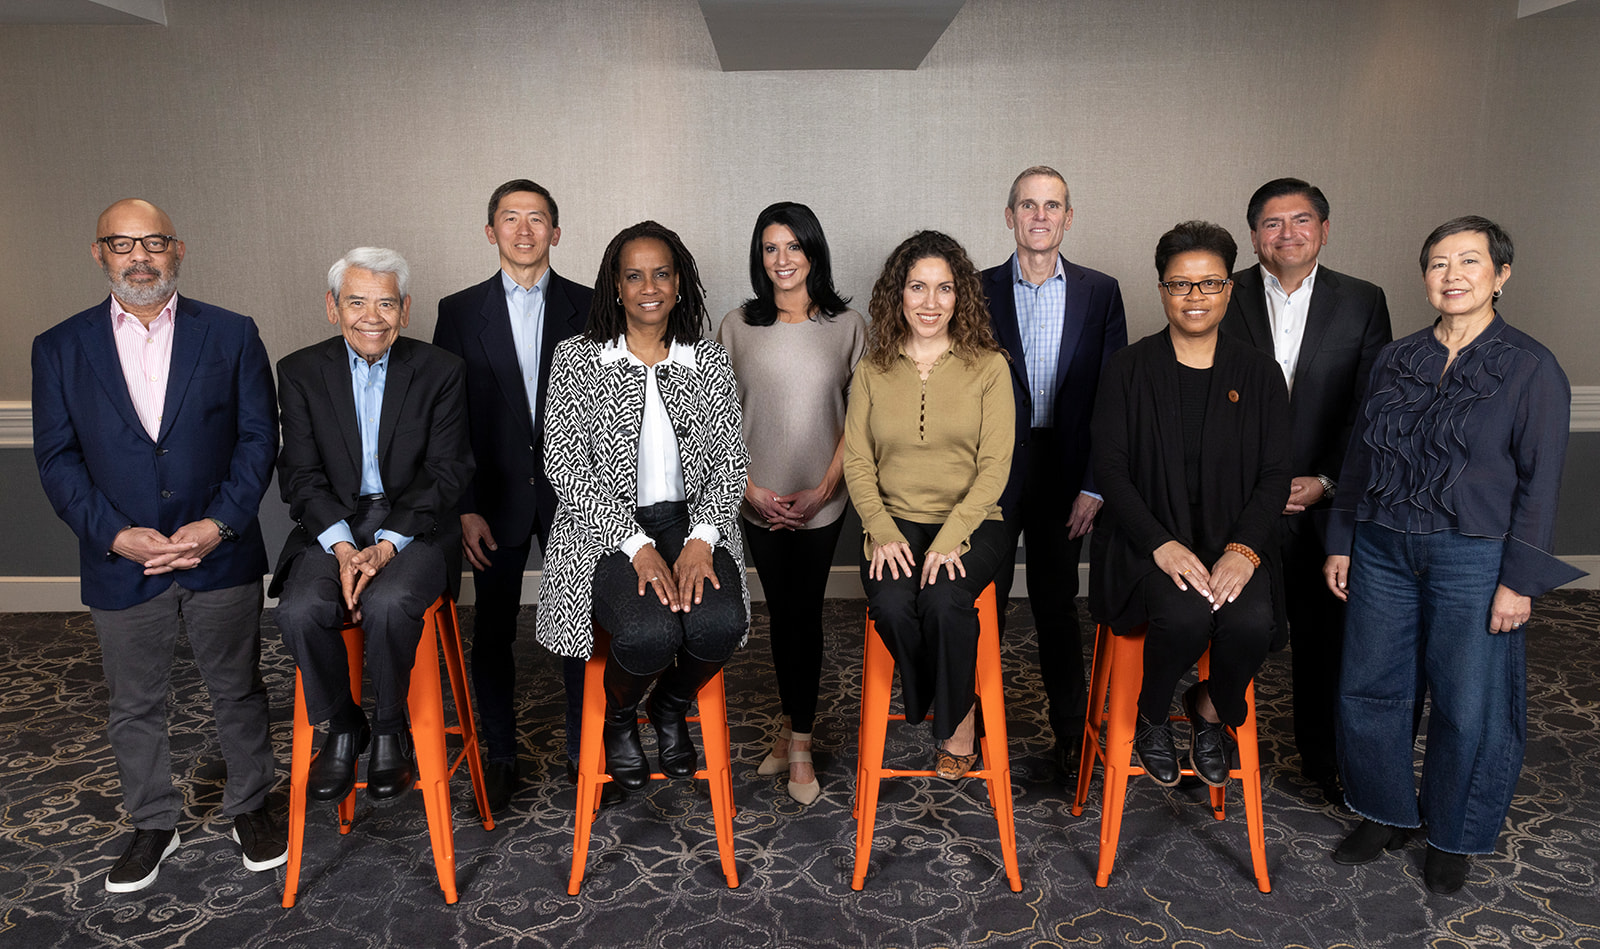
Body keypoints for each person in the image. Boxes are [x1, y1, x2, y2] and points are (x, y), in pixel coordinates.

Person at [1323, 216, 1582, 895]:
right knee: (1368, 686)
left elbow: (1542, 483)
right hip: (1379, 544)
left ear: (1501, 274)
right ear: (1425, 277)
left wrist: (1518, 581)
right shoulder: (1395, 357)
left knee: (1471, 701)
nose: (1453, 275)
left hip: (1475, 557)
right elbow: (1359, 454)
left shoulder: (1531, 367)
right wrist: (1342, 538)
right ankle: (1382, 812)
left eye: (1469, 261)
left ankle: (1453, 831)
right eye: (1439, 263)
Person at [31, 198, 284, 892]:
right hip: (119, 557)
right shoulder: (58, 346)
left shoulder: (232, 334)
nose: (139, 256)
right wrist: (115, 534)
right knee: (134, 701)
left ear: (178, 250)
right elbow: (56, 460)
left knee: (238, 689)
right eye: (122, 243)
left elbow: (259, 439)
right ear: (99, 253)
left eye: (153, 242)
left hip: (218, 550)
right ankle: (153, 822)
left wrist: (219, 525)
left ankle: (251, 805)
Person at [537, 221, 750, 791]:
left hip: (693, 523)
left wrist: (703, 538)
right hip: (601, 531)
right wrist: (637, 547)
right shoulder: (577, 359)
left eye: (660, 274)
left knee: (721, 623)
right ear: (615, 286)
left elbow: (731, 460)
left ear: (678, 283)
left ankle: (668, 707)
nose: (648, 286)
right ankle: (620, 717)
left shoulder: (707, 359)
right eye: (634, 276)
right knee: (648, 633)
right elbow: (566, 466)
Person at [1088, 221, 1290, 789]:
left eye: (1209, 283)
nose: (1195, 297)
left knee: (1251, 625)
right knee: (1183, 617)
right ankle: (1152, 715)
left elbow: (1276, 475)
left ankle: (1206, 709)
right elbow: (1111, 471)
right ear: (1161, 290)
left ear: (1230, 289)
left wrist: (1244, 551)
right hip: (1148, 546)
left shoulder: (1259, 372)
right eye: (1180, 285)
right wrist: (1162, 545)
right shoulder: (1128, 369)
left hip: (1235, 543)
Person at [272, 247, 473, 806]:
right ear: (333, 308)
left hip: (417, 525)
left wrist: (386, 545)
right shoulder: (300, 371)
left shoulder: (440, 371)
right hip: (331, 524)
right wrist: (342, 547)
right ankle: (342, 726)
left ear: (405, 310)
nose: (372, 316)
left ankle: (390, 728)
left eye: (386, 303)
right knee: (299, 609)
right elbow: (301, 475)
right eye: (357, 301)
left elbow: (446, 472)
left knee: (388, 603)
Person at [1220, 177, 1392, 804]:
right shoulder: (1223, 291)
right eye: (1271, 223)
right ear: (1254, 235)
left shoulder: (1362, 300)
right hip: (1241, 499)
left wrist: (1326, 481)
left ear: (1324, 229)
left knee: (1325, 639)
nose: (1286, 233)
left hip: (1323, 500)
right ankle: (1215, 735)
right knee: (1242, 627)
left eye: (1300, 221)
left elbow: (1370, 408)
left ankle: (1323, 761)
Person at [433, 179, 598, 812]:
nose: (523, 230)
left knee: (582, 631)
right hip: (492, 500)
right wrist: (466, 503)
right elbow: (450, 421)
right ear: (490, 231)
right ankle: (500, 756)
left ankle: (585, 755)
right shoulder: (458, 310)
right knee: (494, 630)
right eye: (510, 218)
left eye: (537, 220)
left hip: (579, 494)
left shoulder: (591, 305)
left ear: (556, 233)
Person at [843, 230, 1014, 781]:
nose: (931, 303)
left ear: (960, 296)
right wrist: (880, 528)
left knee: (943, 601)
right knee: (893, 605)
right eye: (918, 287)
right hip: (892, 521)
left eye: (944, 289)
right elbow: (857, 461)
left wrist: (949, 540)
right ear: (899, 294)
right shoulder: (872, 369)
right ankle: (943, 703)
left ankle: (954, 721)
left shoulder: (989, 367)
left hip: (974, 522)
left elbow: (994, 470)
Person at [717, 201, 866, 805]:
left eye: (793, 247)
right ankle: (791, 726)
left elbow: (862, 420)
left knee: (805, 614)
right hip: (757, 500)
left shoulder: (848, 326)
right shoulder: (735, 325)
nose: (783, 260)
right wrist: (749, 488)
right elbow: (714, 417)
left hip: (823, 501)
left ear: (813, 252)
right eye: (770, 248)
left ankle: (798, 742)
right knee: (784, 615)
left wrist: (826, 489)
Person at [983, 166, 1127, 780]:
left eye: (1052, 206)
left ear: (1068, 219)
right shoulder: (975, 288)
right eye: (1027, 205)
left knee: (1054, 603)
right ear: (1009, 216)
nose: (1039, 216)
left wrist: (1095, 483)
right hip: (992, 470)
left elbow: (1113, 396)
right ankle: (966, 730)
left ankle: (1070, 734)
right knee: (975, 599)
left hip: (1068, 473)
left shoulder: (1101, 291)